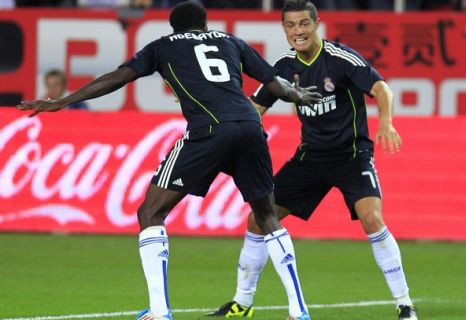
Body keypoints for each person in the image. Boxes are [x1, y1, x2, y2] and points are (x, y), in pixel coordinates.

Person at [17, 2, 322, 320]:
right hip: (250, 126)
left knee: (151, 211)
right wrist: (297, 96)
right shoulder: (231, 41)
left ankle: (160, 311)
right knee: (268, 217)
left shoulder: (162, 46)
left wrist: (64, 101)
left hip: (209, 129)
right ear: (205, 23)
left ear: (173, 27)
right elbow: (277, 86)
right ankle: (298, 311)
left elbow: (118, 77)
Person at [206, 1, 418, 320]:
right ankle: (242, 303)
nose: (298, 32)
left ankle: (404, 304)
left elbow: (380, 87)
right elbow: (256, 107)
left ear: (317, 24)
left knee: (371, 218)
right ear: (284, 30)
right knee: (257, 219)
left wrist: (385, 121)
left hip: (351, 155)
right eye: (291, 26)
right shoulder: (282, 67)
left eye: (304, 24)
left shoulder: (339, 58)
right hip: (310, 158)